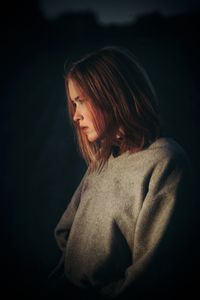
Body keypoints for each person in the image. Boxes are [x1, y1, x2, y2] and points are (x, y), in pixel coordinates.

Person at [49, 46, 195, 299]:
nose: (75, 116)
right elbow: (65, 235)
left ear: (111, 96)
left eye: (81, 101)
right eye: (73, 104)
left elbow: (152, 276)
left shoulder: (166, 163)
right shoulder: (102, 162)